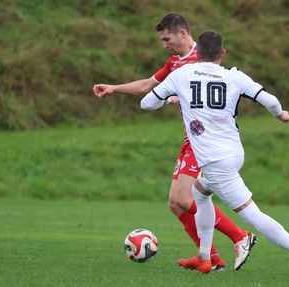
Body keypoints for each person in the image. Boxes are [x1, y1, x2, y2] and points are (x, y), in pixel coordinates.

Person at [140, 30, 289, 280]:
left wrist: (173, 100)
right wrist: (279, 114)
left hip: (216, 162)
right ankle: (204, 258)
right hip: (234, 153)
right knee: (199, 193)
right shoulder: (235, 76)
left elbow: (146, 104)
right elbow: (270, 100)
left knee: (251, 215)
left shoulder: (182, 74)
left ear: (198, 54)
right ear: (223, 54)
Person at [93, 13, 257, 271]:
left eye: (167, 38)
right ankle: (211, 258)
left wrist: (173, 99)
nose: (164, 44)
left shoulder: (202, 59)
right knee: (175, 203)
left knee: (183, 198)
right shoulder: (174, 62)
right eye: (161, 40)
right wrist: (115, 88)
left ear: (182, 33)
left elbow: (210, 95)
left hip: (204, 140)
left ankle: (239, 236)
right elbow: (148, 84)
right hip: (190, 138)